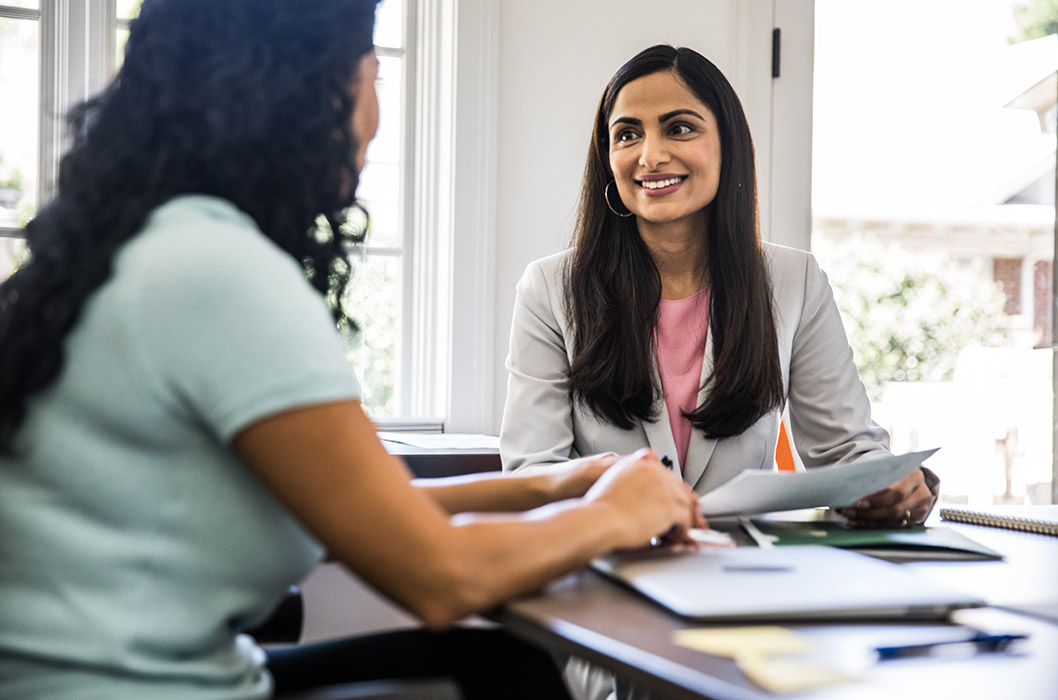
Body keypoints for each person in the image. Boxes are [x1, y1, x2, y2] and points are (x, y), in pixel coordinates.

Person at [0, 5, 704, 699]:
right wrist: (615, 514)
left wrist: (553, 486)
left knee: (497, 668)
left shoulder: (148, 247)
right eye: (374, 78)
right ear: (312, 91)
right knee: (499, 674)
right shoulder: (218, 274)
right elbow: (443, 578)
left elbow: (362, 510)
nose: (375, 113)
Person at [499, 41, 941, 700]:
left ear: (725, 145)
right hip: (610, 594)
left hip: (750, 598)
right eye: (627, 134)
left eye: (679, 127)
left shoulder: (793, 281)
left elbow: (846, 450)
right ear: (607, 158)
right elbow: (532, 478)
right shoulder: (550, 289)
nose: (650, 155)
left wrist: (893, 487)